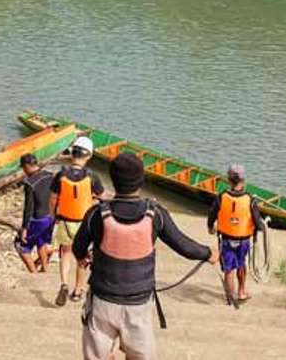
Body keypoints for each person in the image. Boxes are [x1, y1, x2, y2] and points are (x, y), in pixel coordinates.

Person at [74, 151, 218, 360]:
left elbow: (78, 247)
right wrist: (208, 254)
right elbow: (183, 245)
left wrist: (83, 256)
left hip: (103, 301)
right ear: (141, 180)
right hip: (138, 305)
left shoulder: (96, 214)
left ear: (112, 179)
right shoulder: (155, 213)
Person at [51, 136, 105, 306]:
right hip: (84, 223)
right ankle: (77, 291)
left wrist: (54, 216)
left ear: (72, 153)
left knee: (65, 253)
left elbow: (53, 199)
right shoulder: (92, 176)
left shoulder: (60, 174)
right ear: (88, 156)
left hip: (65, 221)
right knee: (82, 258)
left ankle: (64, 283)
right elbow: (102, 196)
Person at [206, 163, 266, 304]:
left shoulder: (222, 197)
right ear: (244, 180)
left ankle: (230, 296)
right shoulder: (250, 200)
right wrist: (262, 227)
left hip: (226, 239)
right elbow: (258, 223)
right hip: (243, 240)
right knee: (241, 264)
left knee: (228, 268)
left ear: (228, 179)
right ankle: (241, 292)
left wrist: (210, 226)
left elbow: (212, 214)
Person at [17, 153, 56, 273]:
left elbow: (28, 207)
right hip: (51, 217)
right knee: (41, 241)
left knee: (21, 246)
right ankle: (44, 269)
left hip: (38, 219)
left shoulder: (29, 183)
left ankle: (33, 273)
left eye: (23, 168)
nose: (24, 171)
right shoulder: (50, 175)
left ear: (28, 166)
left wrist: (24, 228)